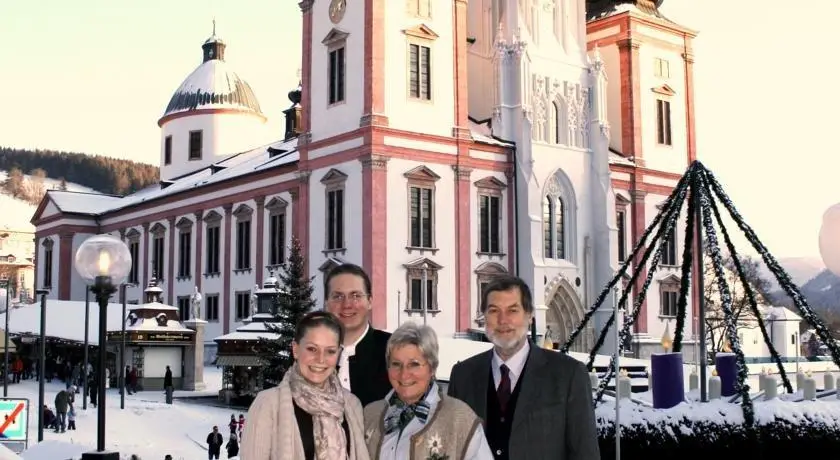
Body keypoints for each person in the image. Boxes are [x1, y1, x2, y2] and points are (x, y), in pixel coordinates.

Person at [447, 275, 601, 460]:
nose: (503, 320)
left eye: (513, 310)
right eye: (494, 310)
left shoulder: (568, 375)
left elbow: (585, 454)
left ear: (530, 316)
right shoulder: (462, 376)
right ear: (484, 317)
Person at [240, 311, 370, 460]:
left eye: (330, 351)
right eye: (312, 349)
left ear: (339, 354)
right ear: (295, 349)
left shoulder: (352, 405)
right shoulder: (268, 404)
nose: (320, 359)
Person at [364, 322, 493, 460]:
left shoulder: (459, 419)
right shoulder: (370, 415)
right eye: (396, 364)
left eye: (414, 364)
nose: (404, 374)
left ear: (432, 367)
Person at [324, 263, 391, 406]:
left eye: (356, 295)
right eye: (338, 296)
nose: (347, 304)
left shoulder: (393, 350)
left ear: (370, 302)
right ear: (326, 303)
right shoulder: (309, 353)